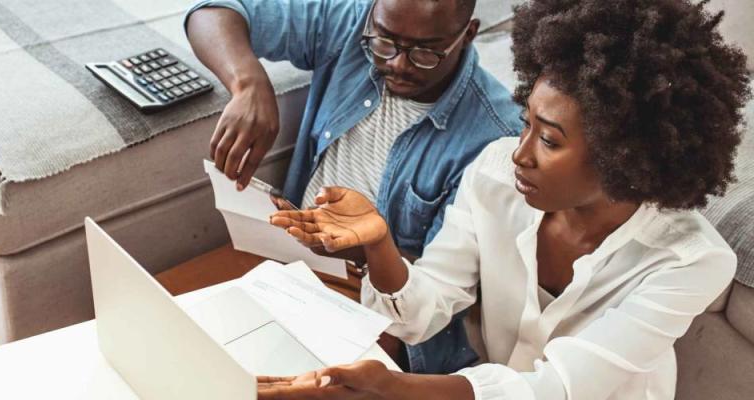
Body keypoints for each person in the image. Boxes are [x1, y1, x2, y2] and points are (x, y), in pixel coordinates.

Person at [264, 0, 751, 398]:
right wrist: (379, 245)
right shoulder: (495, 174)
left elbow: (557, 387)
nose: (519, 153)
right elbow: (424, 309)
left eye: (550, 141)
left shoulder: (690, 262)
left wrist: (395, 387)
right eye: (526, 125)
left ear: (622, 156)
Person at [185, 0, 523, 374]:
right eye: (384, 42)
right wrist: (247, 82)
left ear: (468, 34)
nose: (396, 63)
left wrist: (359, 243)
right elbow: (213, 10)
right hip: (287, 263)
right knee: (184, 340)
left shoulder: (495, 137)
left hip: (382, 314)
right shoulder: (352, 23)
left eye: (425, 52)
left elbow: (435, 290)